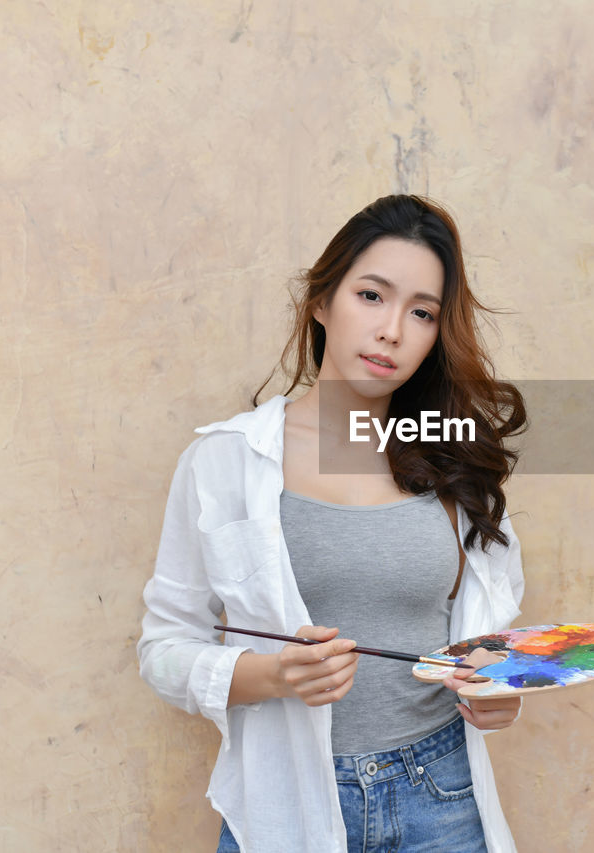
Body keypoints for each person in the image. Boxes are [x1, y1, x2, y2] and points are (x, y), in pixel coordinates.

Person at [137, 195, 528, 853]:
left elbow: (489, 634)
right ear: (322, 300)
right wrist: (276, 675)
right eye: (372, 296)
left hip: (442, 800)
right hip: (284, 805)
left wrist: (497, 691)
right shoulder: (226, 461)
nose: (392, 330)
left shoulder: (456, 458)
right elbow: (163, 647)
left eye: (422, 312)